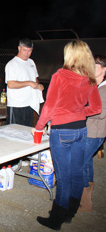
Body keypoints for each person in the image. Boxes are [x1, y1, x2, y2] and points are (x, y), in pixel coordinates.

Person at [33, 40, 102, 230]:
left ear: (69, 55)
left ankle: (55, 220)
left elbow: (49, 106)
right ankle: (70, 212)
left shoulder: (60, 75)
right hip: (81, 130)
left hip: (62, 130)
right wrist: (78, 112)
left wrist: (39, 127)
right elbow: (95, 107)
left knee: (63, 178)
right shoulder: (89, 78)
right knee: (76, 174)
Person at [79, 54, 106, 212]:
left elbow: (100, 112)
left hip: (95, 132)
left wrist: (77, 110)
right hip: (87, 130)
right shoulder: (93, 85)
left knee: (79, 163)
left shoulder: (103, 89)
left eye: (95, 65)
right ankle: (85, 201)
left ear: (104, 69)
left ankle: (82, 200)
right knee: (87, 163)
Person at [5, 38, 44, 126]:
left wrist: (38, 85)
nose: (27, 53)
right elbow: (11, 84)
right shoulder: (12, 64)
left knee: (27, 131)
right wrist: (29, 83)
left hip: (29, 104)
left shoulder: (31, 62)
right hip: (17, 105)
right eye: (24, 50)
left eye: (29, 51)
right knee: (14, 132)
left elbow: (35, 78)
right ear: (19, 48)